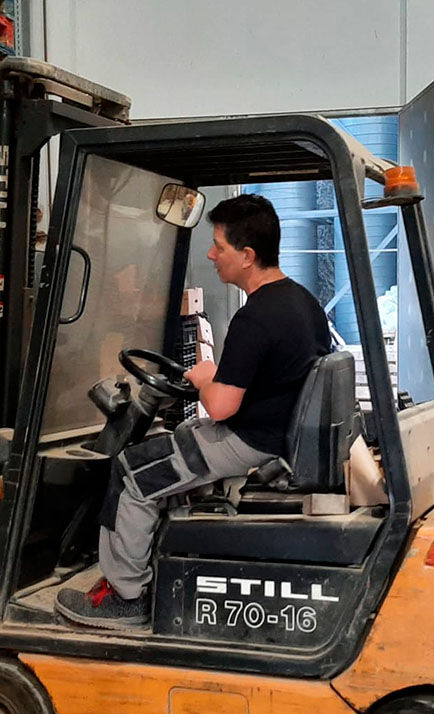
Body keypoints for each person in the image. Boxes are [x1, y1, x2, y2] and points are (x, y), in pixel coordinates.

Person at [55, 194, 332, 628]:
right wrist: (214, 377)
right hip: (275, 432)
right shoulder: (301, 301)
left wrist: (205, 379)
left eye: (219, 246)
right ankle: (153, 561)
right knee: (175, 443)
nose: (211, 254)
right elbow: (267, 374)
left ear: (247, 255)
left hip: (250, 440)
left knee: (131, 472)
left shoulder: (256, 317)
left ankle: (126, 597)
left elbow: (220, 406)